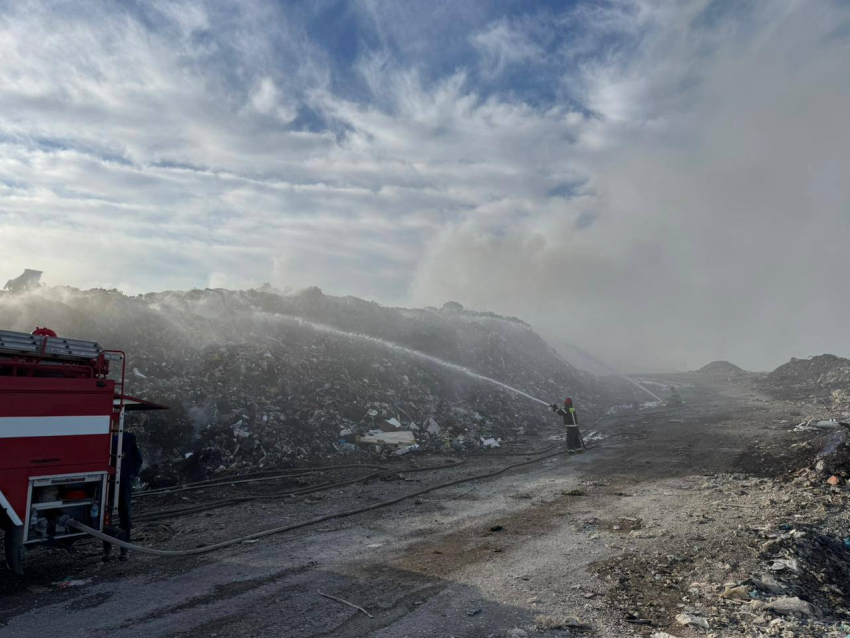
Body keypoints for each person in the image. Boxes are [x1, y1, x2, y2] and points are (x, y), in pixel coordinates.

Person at [103, 431, 143, 562]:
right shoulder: (105, 435)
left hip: (123, 481)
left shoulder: (128, 438)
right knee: (106, 515)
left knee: (124, 514)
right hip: (108, 481)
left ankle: (124, 549)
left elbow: (138, 459)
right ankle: (107, 550)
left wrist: (131, 475)